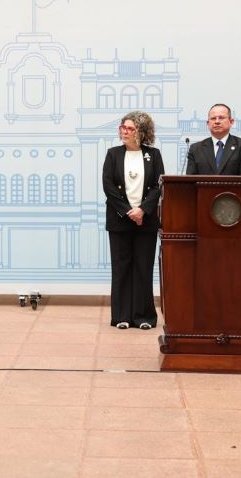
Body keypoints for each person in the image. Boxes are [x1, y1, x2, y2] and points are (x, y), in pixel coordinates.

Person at [102, 111, 165, 330]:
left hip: (146, 221)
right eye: (123, 127)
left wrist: (143, 211)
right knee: (121, 268)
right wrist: (129, 211)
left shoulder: (153, 155)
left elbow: (158, 185)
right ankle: (121, 316)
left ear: (142, 132)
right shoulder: (113, 154)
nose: (125, 132)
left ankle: (143, 316)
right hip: (120, 219)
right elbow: (108, 186)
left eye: (130, 128)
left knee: (143, 268)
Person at [185, 103, 241, 175]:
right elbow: (190, 179)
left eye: (221, 118)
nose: (217, 121)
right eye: (213, 118)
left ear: (231, 122)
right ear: (208, 123)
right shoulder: (196, 149)